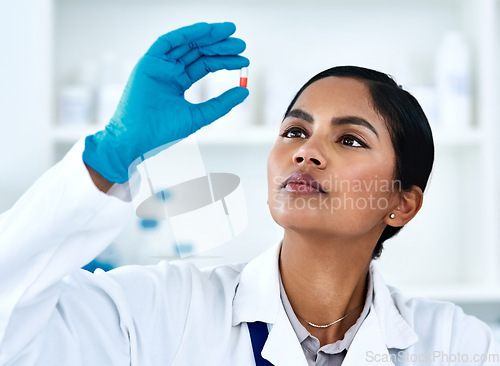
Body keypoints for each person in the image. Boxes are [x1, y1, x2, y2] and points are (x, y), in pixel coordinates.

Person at [0, 22, 498, 366]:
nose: (307, 153)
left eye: (349, 139)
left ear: (402, 203)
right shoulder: (159, 309)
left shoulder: (454, 343)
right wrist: (108, 154)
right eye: (295, 132)